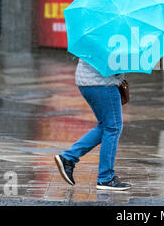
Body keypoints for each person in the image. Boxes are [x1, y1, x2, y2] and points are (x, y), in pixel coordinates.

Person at [55, 58, 130, 191]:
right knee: (113, 127)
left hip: (88, 82)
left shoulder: (95, 37)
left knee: (106, 126)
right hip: (102, 84)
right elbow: (114, 63)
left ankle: (68, 157)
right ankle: (106, 177)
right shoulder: (114, 38)